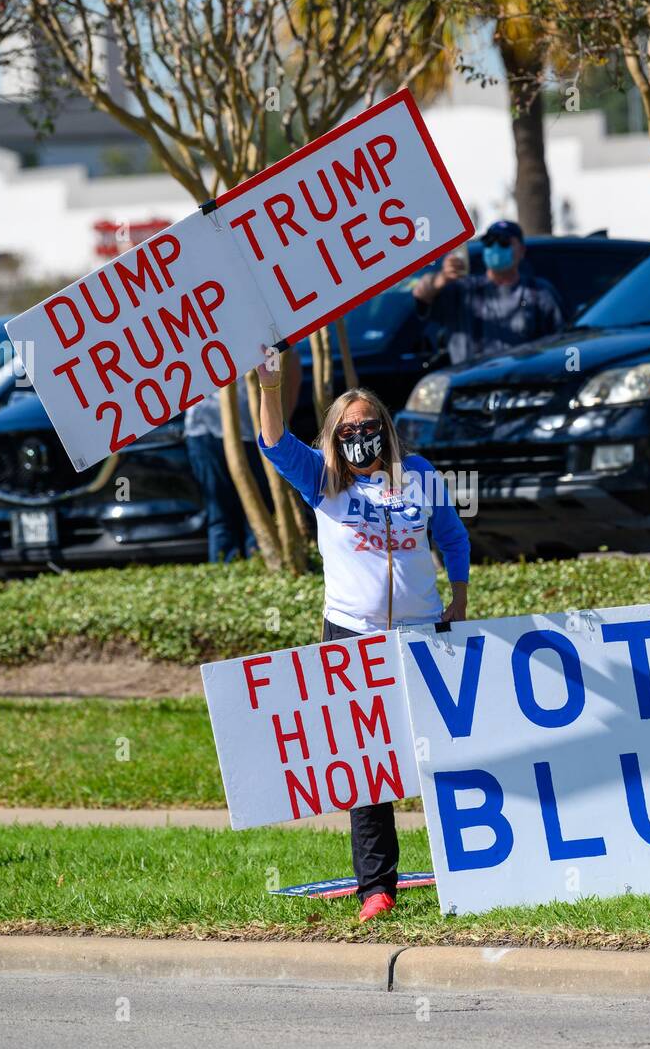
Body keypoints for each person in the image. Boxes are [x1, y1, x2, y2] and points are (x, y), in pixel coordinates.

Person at [257, 347, 470, 922]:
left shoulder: (419, 474)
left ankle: (473, 865)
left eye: (368, 426)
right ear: (334, 435)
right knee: (369, 762)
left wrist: (461, 593)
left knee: (444, 751)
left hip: (425, 633)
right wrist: (269, 385)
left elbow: (451, 534)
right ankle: (376, 886)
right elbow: (274, 442)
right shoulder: (322, 480)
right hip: (352, 636)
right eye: (348, 429)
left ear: (386, 430)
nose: (360, 436)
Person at [185, 349, 302, 562]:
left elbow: (289, 364)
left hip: (251, 435)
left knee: (257, 511)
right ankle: (226, 574)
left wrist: (275, 425)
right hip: (204, 432)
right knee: (220, 514)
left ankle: (257, 564)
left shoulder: (255, 329)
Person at [412, 219, 567, 365]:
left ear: (522, 250)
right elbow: (421, 294)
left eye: (504, 243)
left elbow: (560, 342)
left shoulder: (538, 292)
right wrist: (441, 278)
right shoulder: (464, 290)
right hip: (470, 384)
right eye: (489, 242)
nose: (495, 248)